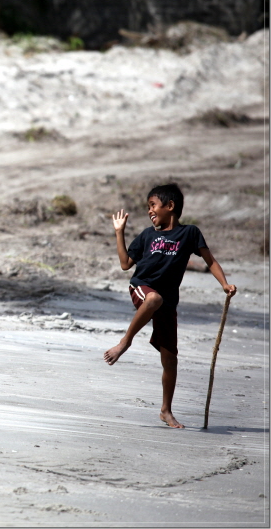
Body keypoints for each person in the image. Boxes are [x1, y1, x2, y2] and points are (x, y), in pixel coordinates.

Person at [104, 183, 236, 428]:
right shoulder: (147, 235)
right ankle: (125, 342)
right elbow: (125, 264)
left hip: (168, 302)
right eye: (148, 207)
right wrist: (119, 232)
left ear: (170, 206)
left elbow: (210, 260)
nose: (150, 211)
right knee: (154, 299)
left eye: (153, 205)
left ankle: (166, 410)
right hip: (142, 288)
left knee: (170, 359)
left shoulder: (190, 233)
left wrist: (225, 285)